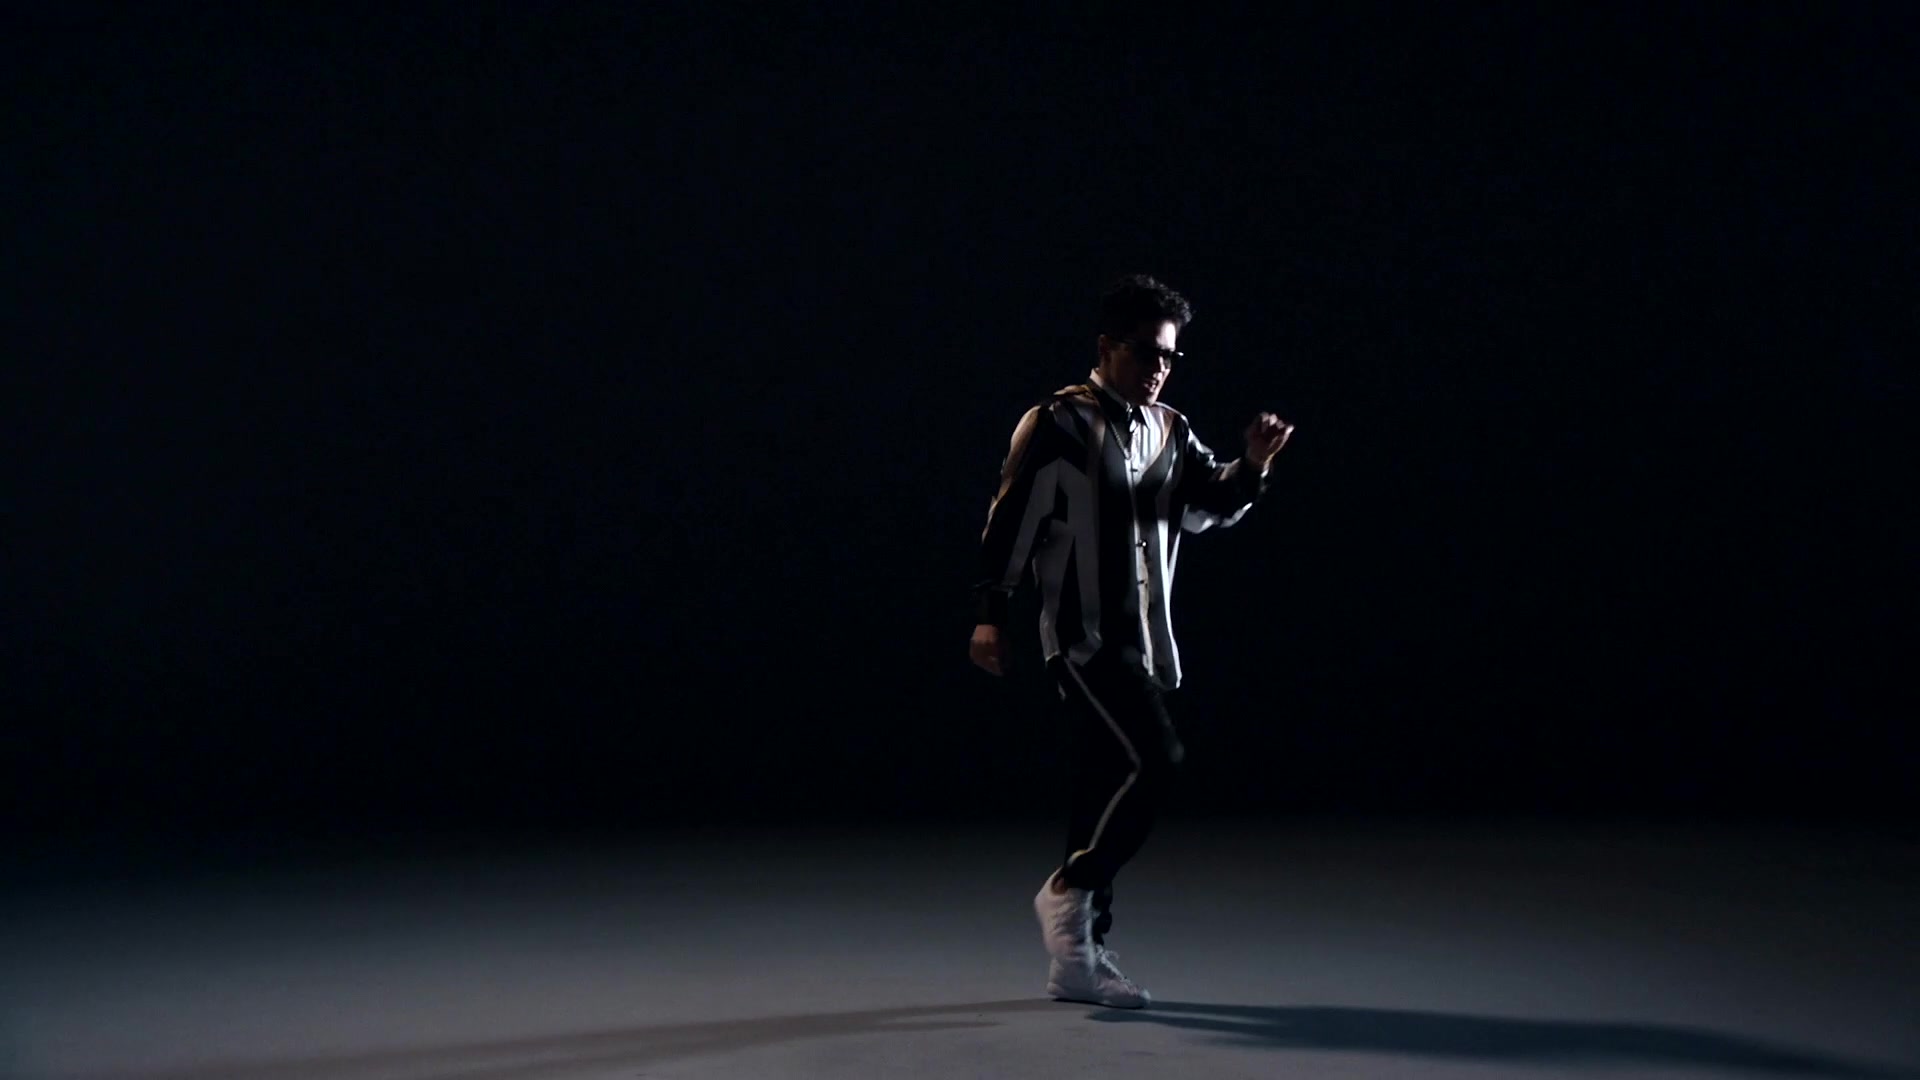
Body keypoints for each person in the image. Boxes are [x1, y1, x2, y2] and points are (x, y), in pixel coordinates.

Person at [968, 274, 1293, 1009]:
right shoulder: (1057, 422)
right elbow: (1009, 519)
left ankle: (1078, 960)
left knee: (1101, 783)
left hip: (1147, 642)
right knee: (1157, 760)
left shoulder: (1171, 429)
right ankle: (1071, 886)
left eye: (1170, 356)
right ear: (1106, 347)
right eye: (1146, 352)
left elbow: (1211, 503)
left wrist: (1253, 464)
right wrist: (990, 612)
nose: (1158, 368)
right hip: (1084, 639)